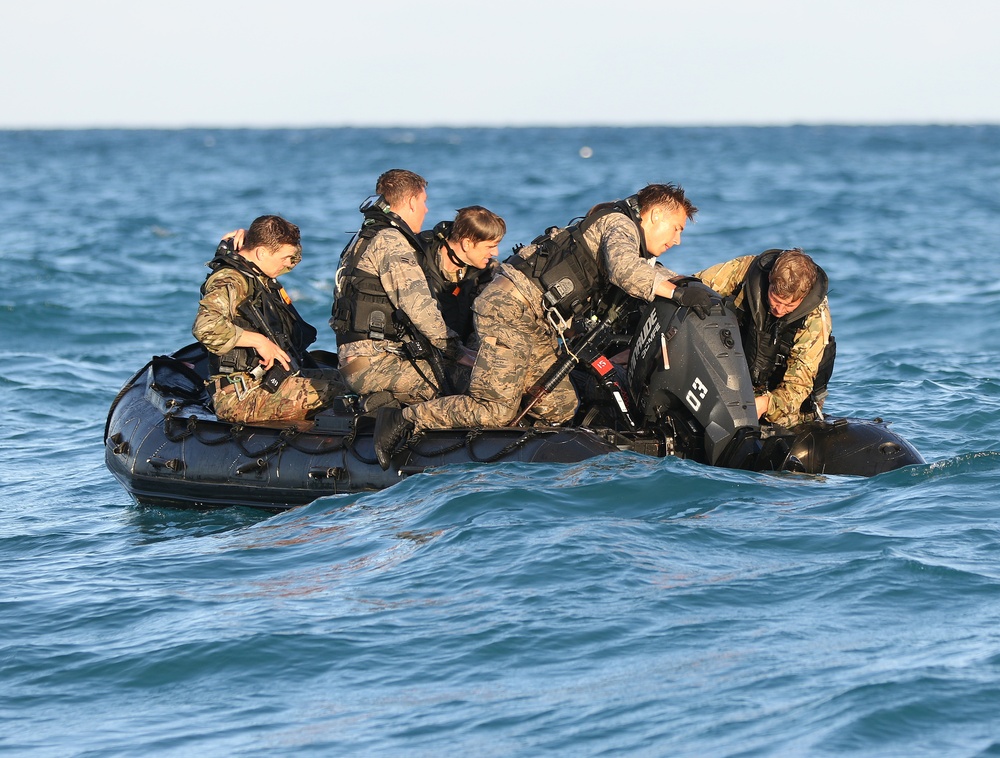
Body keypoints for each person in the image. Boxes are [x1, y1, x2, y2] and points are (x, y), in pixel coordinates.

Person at [373, 183, 708, 469]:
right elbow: (625, 271)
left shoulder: (627, 232)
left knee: (560, 405)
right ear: (656, 216)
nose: (677, 239)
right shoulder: (619, 224)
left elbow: (645, 270)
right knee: (495, 409)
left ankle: (504, 444)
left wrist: (690, 286)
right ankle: (405, 419)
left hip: (536, 320)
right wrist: (677, 292)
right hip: (508, 309)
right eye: (677, 228)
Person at [193, 215, 345, 425]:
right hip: (241, 396)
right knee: (340, 391)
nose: (288, 264)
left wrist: (250, 237)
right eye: (284, 258)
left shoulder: (257, 271)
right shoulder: (231, 279)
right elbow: (205, 327)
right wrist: (260, 342)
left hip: (269, 381)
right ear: (261, 252)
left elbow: (288, 256)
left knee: (351, 380)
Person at [330, 169, 462, 409]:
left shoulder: (363, 237)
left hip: (357, 361)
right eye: (424, 201)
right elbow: (420, 309)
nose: (426, 209)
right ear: (412, 202)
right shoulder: (391, 242)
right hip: (376, 365)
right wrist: (459, 352)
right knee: (472, 379)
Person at [695, 248, 834, 429]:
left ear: (803, 297)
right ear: (769, 280)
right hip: (737, 375)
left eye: (789, 305)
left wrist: (766, 404)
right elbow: (695, 285)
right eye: (775, 299)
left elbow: (799, 386)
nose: (779, 309)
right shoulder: (745, 271)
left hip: (787, 401)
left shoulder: (816, 319)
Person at [416, 205, 505, 350]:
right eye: (490, 247)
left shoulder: (489, 272)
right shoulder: (418, 261)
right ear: (467, 244)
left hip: (463, 353)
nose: (495, 252)